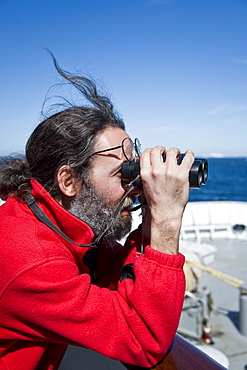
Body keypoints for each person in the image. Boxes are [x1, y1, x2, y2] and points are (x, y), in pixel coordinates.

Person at [0, 58, 194, 370]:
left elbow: (116, 273)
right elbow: (144, 341)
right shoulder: (33, 261)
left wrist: (150, 215)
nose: (134, 184)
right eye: (123, 174)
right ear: (69, 181)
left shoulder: (54, 224)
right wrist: (167, 219)